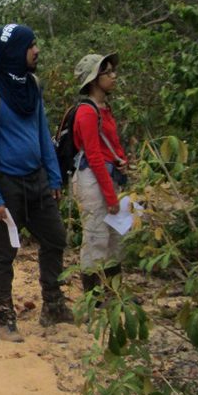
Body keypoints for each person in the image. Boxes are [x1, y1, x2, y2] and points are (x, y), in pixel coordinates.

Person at [0, 23, 74, 343]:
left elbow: (43, 133)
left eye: (35, 44)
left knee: (55, 238)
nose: (36, 50)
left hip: (37, 180)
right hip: (7, 183)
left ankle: (53, 304)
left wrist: (54, 175)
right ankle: (5, 318)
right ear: (15, 50)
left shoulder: (32, 85)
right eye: (31, 45)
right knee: (4, 253)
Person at [69, 52, 129, 299]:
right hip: (93, 180)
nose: (114, 76)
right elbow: (93, 156)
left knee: (116, 238)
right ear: (94, 79)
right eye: (107, 72)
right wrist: (110, 197)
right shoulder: (87, 112)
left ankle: (114, 293)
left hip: (109, 176)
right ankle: (93, 299)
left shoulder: (105, 109)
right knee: (96, 237)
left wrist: (122, 162)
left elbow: (111, 144)